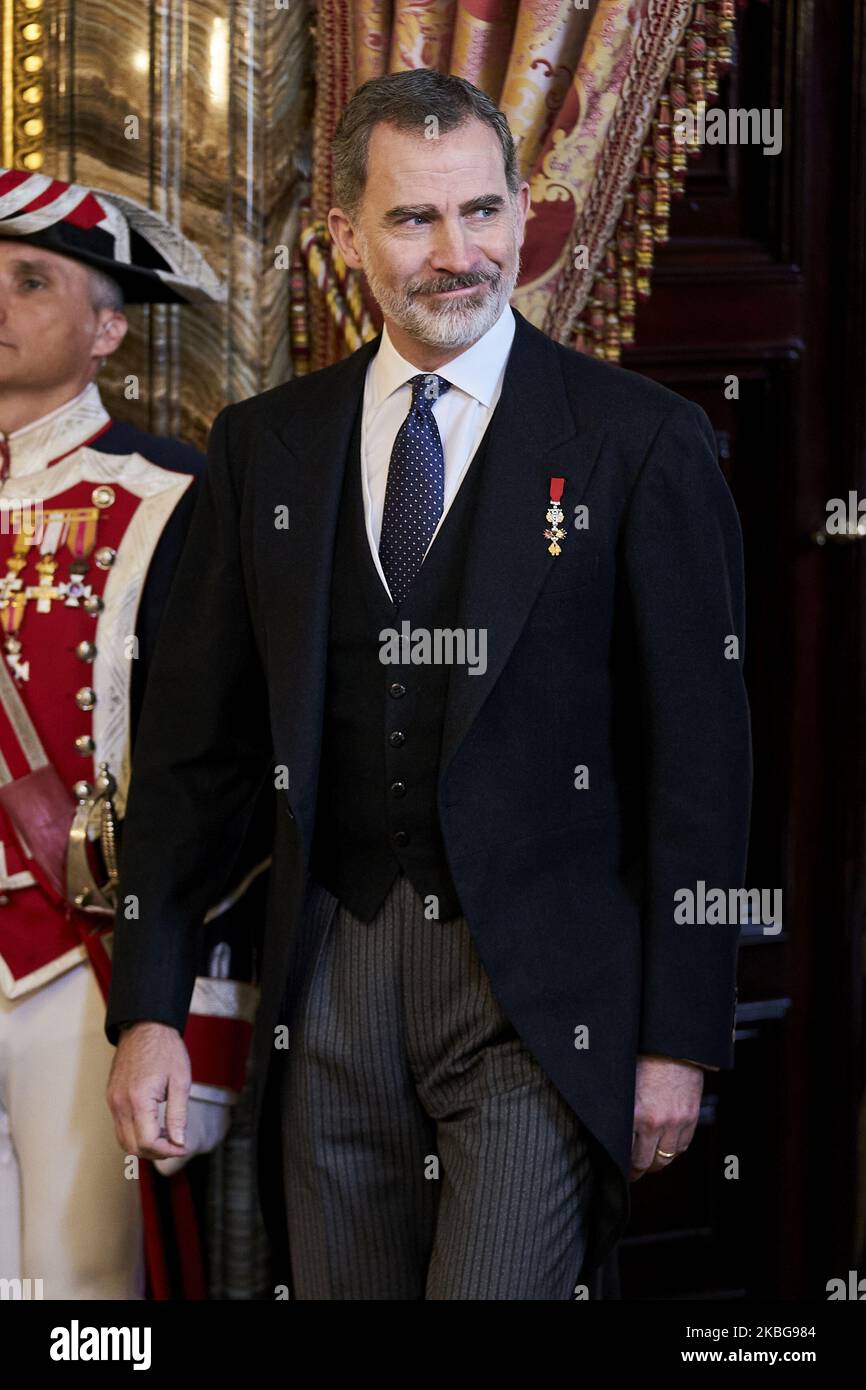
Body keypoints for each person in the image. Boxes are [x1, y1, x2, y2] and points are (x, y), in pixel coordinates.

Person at [106, 69, 752, 1301]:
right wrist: (151, 1007)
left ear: (520, 211)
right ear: (343, 235)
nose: (458, 254)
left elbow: (699, 768)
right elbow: (195, 757)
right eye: (413, 219)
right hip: (327, 981)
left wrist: (678, 1036)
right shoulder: (264, 447)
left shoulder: (635, 441)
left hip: (536, 1002)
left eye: (482, 211)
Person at [0, 169, 267, 1299]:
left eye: (28, 280)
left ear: (108, 328)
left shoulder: (175, 495)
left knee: (82, 1283)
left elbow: (219, 768)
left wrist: (186, 995)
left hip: (77, 954)